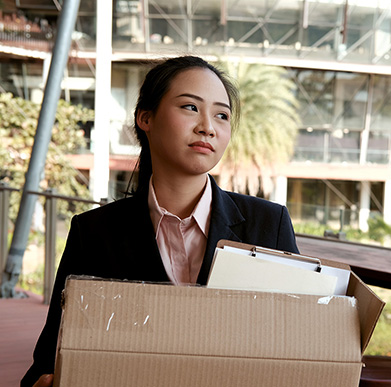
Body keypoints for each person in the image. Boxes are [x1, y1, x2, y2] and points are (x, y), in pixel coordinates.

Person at [22, 55, 299, 387]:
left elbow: (295, 341)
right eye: (190, 108)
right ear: (145, 118)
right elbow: (49, 359)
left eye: (221, 115)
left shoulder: (269, 224)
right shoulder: (93, 232)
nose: (208, 127)